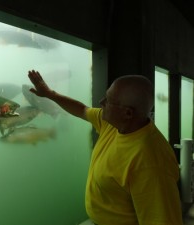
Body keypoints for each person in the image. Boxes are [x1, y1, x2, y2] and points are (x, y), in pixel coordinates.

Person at [27, 70, 183, 225]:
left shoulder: (150, 162)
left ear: (127, 113)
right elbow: (82, 110)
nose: (102, 102)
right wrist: (50, 94)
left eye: (108, 100)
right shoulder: (113, 124)